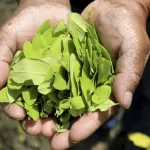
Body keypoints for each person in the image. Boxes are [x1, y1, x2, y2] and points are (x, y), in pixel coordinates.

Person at [0, 0, 149, 149]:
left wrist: (135, 4)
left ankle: (137, 128)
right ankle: (101, 131)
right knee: (115, 95)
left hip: (116, 23)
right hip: (75, 8)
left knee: (135, 84)